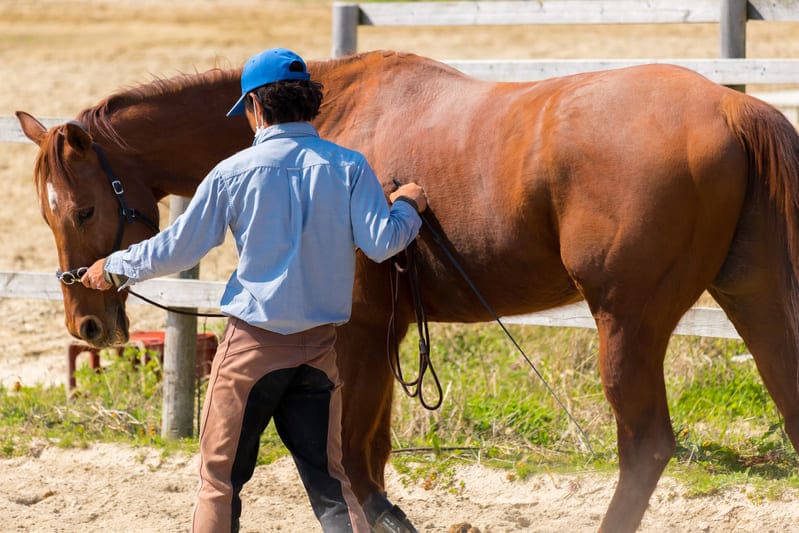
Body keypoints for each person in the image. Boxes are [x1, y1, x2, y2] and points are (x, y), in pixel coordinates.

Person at [81, 47, 427, 533]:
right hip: (321, 350)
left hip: (252, 351)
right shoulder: (350, 167)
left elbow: (177, 250)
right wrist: (409, 205)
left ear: (256, 107)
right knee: (332, 483)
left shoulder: (232, 172)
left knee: (219, 480)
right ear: (309, 103)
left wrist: (114, 269)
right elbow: (382, 242)